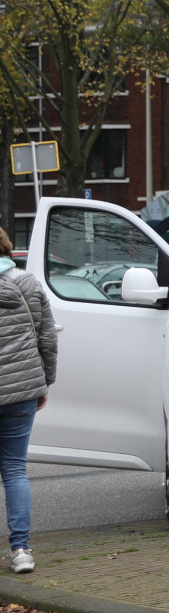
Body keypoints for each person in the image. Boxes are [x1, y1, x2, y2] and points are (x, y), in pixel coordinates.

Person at [0, 228, 56, 575]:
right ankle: (21, 550)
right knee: (15, 470)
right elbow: (47, 337)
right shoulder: (28, 284)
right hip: (21, 391)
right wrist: (44, 382)